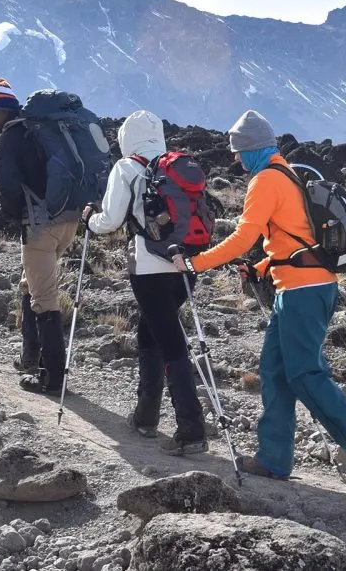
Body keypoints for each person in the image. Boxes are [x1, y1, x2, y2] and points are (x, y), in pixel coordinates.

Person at [172, 110, 346, 489]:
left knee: (305, 374)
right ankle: (273, 459)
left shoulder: (265, 180)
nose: (236, 159)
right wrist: (261, 268)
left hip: (303, 292)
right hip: (301, 287)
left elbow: (243, 237)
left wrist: (195, 263)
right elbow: (293, 239)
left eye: (239, 151)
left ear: (253, 148)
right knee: (274, 371)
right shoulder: (286, 173)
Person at [80, 110, 208, 455]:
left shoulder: (127, 167)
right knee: (150, 331)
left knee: (170, 340)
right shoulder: (178, 168)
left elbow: (111, 220)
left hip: (149, 269)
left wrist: (90, 219)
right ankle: (145, 415)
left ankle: (191, 430)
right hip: (186, 265)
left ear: (126, 136)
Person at [0, 78, 77, 395]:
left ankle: (53, 378)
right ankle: (29, 357)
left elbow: (8, 183)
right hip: (69, 219)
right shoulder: (41, 130)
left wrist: (14, 212)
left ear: (5, 110)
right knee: (30, 283)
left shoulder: (12, 136)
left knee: (44, 297)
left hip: (39, 223)